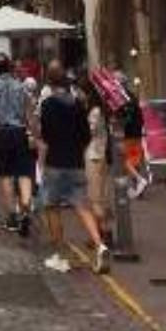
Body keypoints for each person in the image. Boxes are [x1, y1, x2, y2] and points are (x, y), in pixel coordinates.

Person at [37, 60, 109, 275]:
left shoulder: (48, 105)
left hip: (55, 163)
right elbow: (86, 135)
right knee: (81, 206)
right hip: (76, 162)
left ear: (49, 80)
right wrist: (77, 150)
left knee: (52, 207)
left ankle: (59, 255)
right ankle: (99, 244)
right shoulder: (78, 104)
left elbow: (46, 135)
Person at [0, 52, 36, 235]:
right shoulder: (20, 86)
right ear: (10, 66)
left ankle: (12, 217)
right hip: (19, 132)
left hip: (2, 133)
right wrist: (32, 133)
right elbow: (28, 113)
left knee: (6, 175)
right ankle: (25, 205)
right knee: (24, 173)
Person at [83, 78, 112, 239]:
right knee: (101, 195)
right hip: (101, 155)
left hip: (93, 156)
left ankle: (103, 232)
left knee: (94, 196)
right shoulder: (102, 110)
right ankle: (101, 230)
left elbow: (89, 132)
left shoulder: (95, 111)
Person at [118, 80, 150, 197]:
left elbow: (125, 118)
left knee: (126, 162)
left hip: (129, 135)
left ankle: (139, 181)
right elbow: (140, 118)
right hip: (137, 134)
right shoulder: (132, 97)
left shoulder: (122, 98)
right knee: (134, 161)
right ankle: (136, 188)